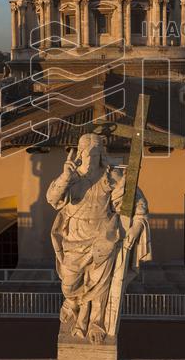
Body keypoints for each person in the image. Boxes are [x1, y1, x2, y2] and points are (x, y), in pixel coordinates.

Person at [47, 133, 150, 344]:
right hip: (74, 241)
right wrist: (65, 177)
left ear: (102, 154)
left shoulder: (110, 177)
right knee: (68, 283)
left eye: (96, 153)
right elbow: (52, 199)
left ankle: (95, 322)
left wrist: (137, 223)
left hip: (103, 239)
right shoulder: (71, 177)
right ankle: (73, 303)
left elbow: (137, 200)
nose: (92, 159)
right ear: (81, 153)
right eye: (88, 153)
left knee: (99, 285)